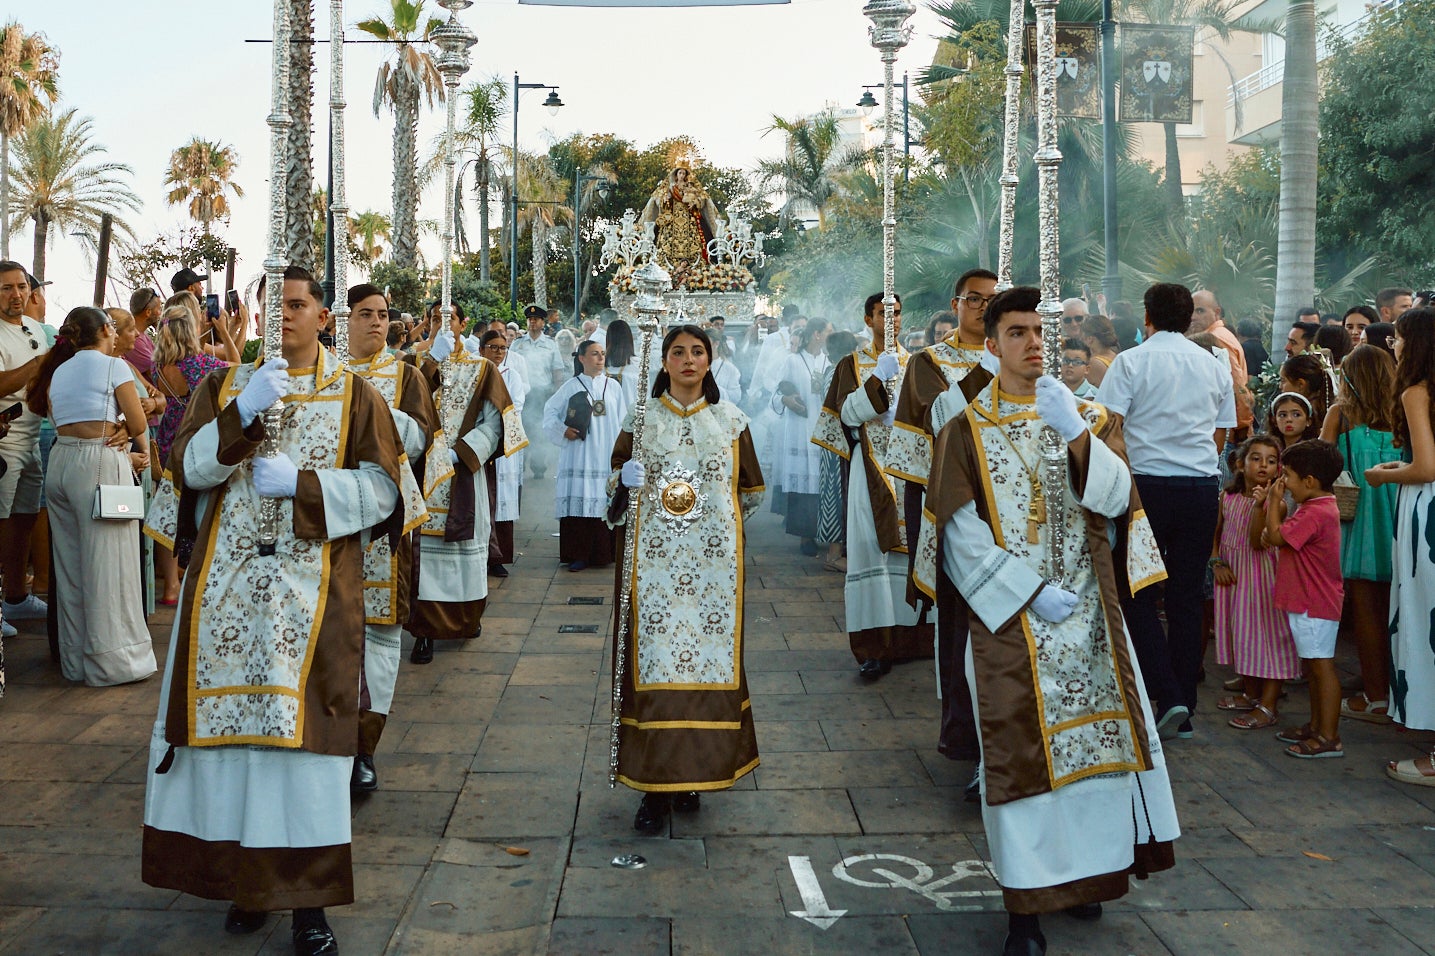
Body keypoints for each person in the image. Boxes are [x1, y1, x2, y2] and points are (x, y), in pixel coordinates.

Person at [140, 266, 411, 956]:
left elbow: (387, 493)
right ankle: (244, 883)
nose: (283, 316)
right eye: (274, 305)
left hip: (313, 601)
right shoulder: (220, 386)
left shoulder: (355, 397)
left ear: (324, 317)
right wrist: (240, 414)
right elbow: (185, 472)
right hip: (227, 601)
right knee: (233, 753)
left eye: (297, 305)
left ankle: (308, 907)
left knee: (305, 759)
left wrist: (307, 485)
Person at [920, 286, 1178, 955]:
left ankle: (1086, 880)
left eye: (1041, 333)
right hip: (1012, 624)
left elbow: (1120, 501)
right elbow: (958, 536)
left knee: (1095, 761)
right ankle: (1025, 911)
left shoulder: (1084, 414)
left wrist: (1074, 433)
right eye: (1017, 333)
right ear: (993, 343)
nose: (1034, 343)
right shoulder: (963, 429)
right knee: (1022, 763)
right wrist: (1027, 591)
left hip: (1090, 617)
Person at [608, 324, 764, 834]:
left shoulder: (732, 420)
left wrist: (714, 523)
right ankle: (655, 789)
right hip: (652, 573)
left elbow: (752, 492)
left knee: (705, 672)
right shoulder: (641, 418)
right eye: (678, 352)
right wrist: (622, 481)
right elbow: (614, 485)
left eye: (698, 351)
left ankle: (693, 774)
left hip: (712, 577)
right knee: (654, 668)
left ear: (711, 359)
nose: (689, 360)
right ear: (664, 361)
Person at [1095, 282, 1235, 740]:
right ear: (1187, 316)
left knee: (1136, 591)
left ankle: (1167, 692)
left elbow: (1107, 427)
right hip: (1199, 487)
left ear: (1147, 316)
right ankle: (1184, 705)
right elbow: (1221, 434)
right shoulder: (1212, 363)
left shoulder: (1131, 362)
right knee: (1186, 596)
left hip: (1147, 487)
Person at [888, 267, 998, 779]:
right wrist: (987, 371)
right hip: (958, 509)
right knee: (960, 628)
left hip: (1014, 511)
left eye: (992, 300)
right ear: (956, 304)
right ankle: (966, 740)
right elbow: (935, 421)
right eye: (974, 299)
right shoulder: (930, 362)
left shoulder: (1023, 358)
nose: (982, 307)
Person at [27, 307, 155, 686]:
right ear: (103, 330)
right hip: (98, 464)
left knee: (69, 567)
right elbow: (139, 421)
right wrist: (125, 430)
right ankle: (113, 663)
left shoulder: (59, 370)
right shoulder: (114, 366)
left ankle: (75, 659)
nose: (117, 335)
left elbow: (61, 415)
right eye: (113, 328)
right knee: (109, 562)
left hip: (62, 463)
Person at [344, 284, 440, 788]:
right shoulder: (320, 372)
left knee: (379, 637)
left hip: (382, 527)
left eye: (382, 315)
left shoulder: (405, 376)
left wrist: (364, 405)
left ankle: (364, 747)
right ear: (343, 319)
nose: (377, 323)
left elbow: (422, 438)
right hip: (326, 523)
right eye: (366, 314)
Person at [813, 293, 931, 680]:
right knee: (871, 555)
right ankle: (874, 646)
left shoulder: (919, 363)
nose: (891, 320)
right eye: (883, 314)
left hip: (913, 470)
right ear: (868, 319)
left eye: (896, 313)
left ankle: (915, 641)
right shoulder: (853, 364)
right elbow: (846, 416)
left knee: (915, 547)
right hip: (871, 470)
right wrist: (878, 378)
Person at [407, 308, 523, 664]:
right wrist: (430, 362)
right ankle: (424, 632)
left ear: (462, 325)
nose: (444, 325)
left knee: (464, 554)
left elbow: (497, 423)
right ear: (429, 324)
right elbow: (398, 406)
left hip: (463, 473)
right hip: (423, 475)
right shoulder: (412, 367)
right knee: (422, 558)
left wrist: (459, 454)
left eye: (450, 318)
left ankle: (466, 618)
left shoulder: (482, 369)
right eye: (436, 319)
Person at [1366, 308, 1435, 786]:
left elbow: (1427, 469)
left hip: (1425, 513)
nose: (1393, 345)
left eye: (1397, 338)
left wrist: (1381, 474)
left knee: (1424, 620)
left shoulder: (1417, 390)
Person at [1320, 345, 1400, 723]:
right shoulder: (1404, 414)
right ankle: (1402, 693)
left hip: (1362, 520)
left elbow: (1320, 462)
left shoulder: (1342, 415)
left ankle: (1376, 696)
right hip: (1403, 519)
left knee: (1367, 611)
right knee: (1402, 613)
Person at [1263, 439, 1346, 759]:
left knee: (1321, 667)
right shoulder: (1317, 507)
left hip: (1314, 603)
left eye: (1288, 477)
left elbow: (1274, 537)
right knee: (1313, 666)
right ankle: (1317, 725)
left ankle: (1329, 736)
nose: (1284, 484)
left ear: (1309, 482)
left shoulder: (1315, 511)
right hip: (1309, 602)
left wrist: (1273, 502)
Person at [1211, 435, 1296, 731]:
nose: (1264, 465)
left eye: (1271, 461)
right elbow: (1217, 533)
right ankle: (1251, 693)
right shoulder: (1227, 497)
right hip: (1233, 574)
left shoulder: (1278, 504)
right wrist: (1216, 562)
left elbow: (1256, 543)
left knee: (1268, 637)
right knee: (1242, 635)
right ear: (1239, 464)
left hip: (1262, 578)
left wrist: (1263, 507)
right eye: (1256, 458)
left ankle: (1269, 705)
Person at [151, 306, 232, 605]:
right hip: (194, 442)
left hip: (166, 441)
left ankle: (170, 586)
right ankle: (198, 579)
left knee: (167, 513)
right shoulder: (201, 364)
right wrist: (226, 329)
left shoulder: (156, 366)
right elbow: (237, 367)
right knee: (199, 512)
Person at [544, 340, 627, 571]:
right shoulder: (571, 386)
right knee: (580, 497)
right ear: (581, 358)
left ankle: (603, 553)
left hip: (606, 454)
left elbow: (623, 422)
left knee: (603, 499)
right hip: (579, 453)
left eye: (602, 354)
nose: (600, 359)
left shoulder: (613, 387)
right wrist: (563, 430)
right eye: (594, 354)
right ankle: (578, 554)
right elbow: (549, 413)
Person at [0, 259, 50, 626]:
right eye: (6, 288)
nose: (17, 295)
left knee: (24, 520)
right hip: (3, 443)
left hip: (32, 438)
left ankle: (15, 597)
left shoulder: (33, 326)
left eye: (21, 287)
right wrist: (39, 364)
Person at [770, 317, 831, 555]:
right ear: (817, 334)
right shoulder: (792, 361)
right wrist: (785, 399)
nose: (830, 335)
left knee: (823, 484)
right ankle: (806, 536)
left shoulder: (829, 361)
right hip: (798, 429)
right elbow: (774, 395)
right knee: (805, 482)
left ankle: (826, 532)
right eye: (828, 331)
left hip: (824, 429)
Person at [481, 329, 527, 577]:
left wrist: (495, 423)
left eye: (502, 348)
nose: (499, 352)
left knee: (502, 500)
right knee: (482, 498)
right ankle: (481, 554)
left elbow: (516, 405)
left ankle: (498, 557)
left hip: (502, 441)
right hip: (479, 442)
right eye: (493, 347)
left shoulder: (512, 375)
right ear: (481, 349)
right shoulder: (475, 372)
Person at [813, 330, 856, 573]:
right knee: (835, 496)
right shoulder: (841, 371)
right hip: (837, 445)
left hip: (838, 444)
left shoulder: (836, 370)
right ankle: (833, 554)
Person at [510, 304, 565, 479]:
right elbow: (510, 367)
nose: (532, 322)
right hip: (522, 394)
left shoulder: (550, 345)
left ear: (543, 322)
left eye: (536, 319)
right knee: (522, 428)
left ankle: (539, 467)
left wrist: (557, 396)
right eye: (530, 319)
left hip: (542, 393)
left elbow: (557, 372)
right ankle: (520, 466)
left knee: (539, 430)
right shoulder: (518, 344)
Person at [638, 166, 721, 281]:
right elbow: (658, 200)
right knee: (665, 241)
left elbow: (701, 199)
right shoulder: (668, 187)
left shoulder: (690, 187)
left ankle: (694, 266)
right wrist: (666, 199)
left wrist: (694, 203)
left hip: (688, 218)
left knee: (695, 240)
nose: (682, 175)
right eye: (680, 173)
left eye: (683, 173)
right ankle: (665, 266)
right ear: (675, 174)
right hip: (672, 218)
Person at [1078, 314, 1120, 387]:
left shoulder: (1095, 363)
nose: (1080, 340)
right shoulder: (1114, 354)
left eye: (1081, 336)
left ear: (1089, 339)